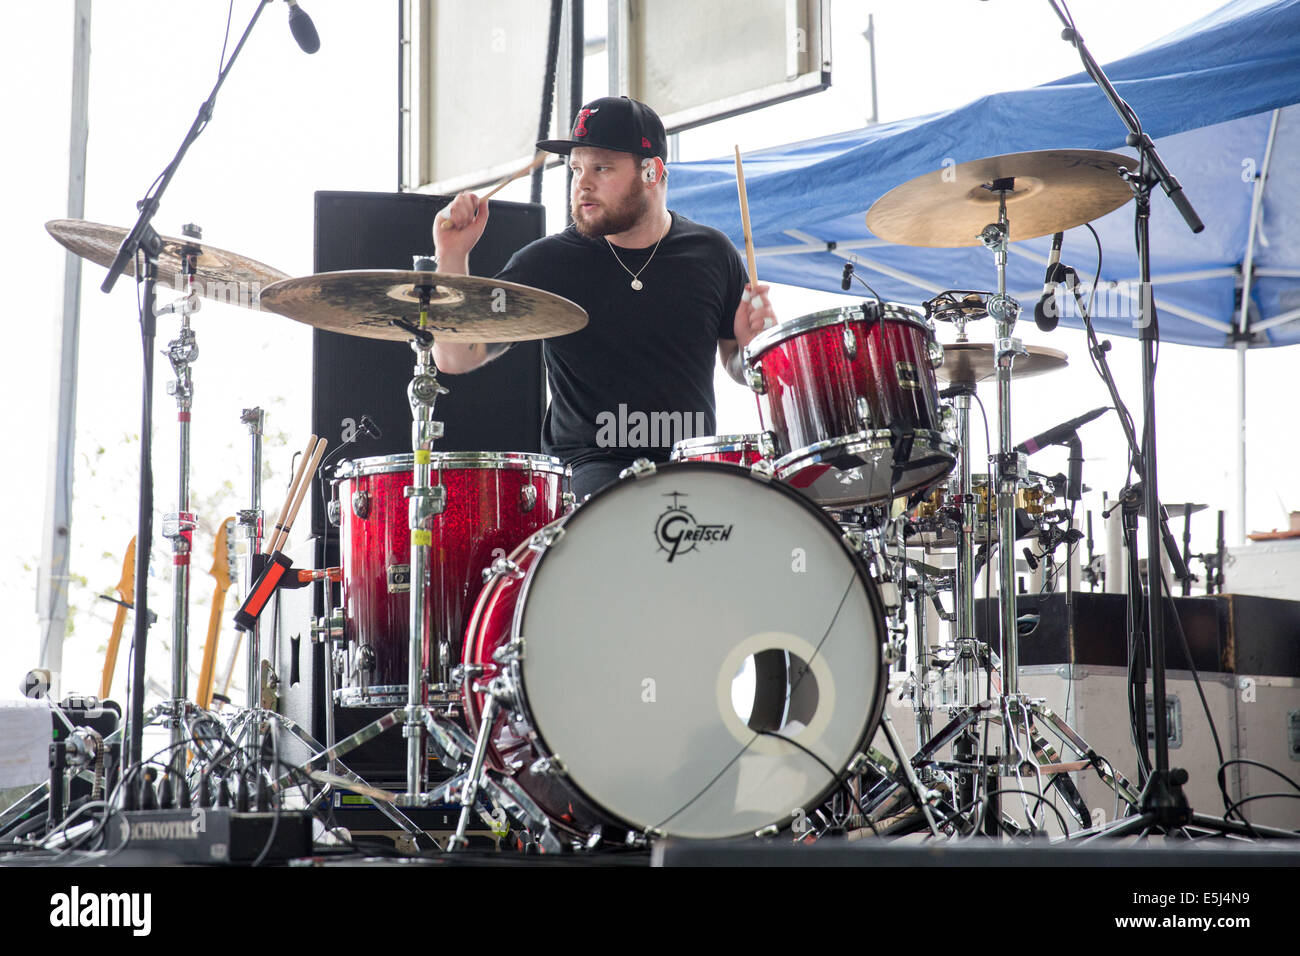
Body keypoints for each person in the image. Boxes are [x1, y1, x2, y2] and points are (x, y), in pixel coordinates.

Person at [432, 96, 777, 501]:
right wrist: (452, 255)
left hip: (690, 467)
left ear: (652, 171)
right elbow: (456, 357)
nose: (582, 183)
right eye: (577, 168)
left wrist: (755, 348)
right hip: (590, 474)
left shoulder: (713, 253)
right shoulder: (546, 263)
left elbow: (740, 367)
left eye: (601, 168)